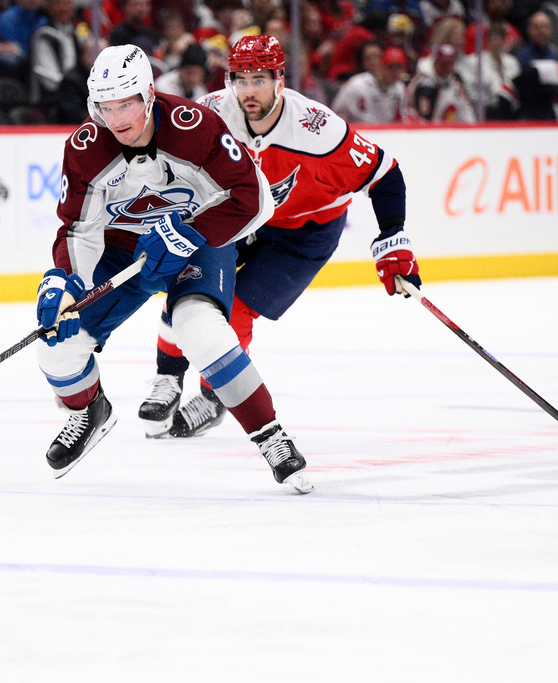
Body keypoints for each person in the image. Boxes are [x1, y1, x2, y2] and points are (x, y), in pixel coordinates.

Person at [34, 43, 313, 493]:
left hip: (197, 240)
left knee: (200, 329)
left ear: (148, 94)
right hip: (122, 248)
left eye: (126, 103)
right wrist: (64, 282)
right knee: (57, 344)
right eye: (106, 106)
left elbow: (254, 200)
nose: (117, 117)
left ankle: (271, 437)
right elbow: (78, 230)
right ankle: (89, 411)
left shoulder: (195, 126)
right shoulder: (85, 147)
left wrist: (188, 232)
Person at [137, 35, 417, 446]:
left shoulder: (316, 129)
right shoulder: (214, 113)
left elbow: (384, 172)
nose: (249, 91)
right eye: (241, 80)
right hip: (247, 218)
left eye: (259, 80)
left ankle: (215, 398)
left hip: (305, 233)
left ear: (280, 80)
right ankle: (168, 378)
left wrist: (394, 237)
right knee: (186, 282)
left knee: (234, 312)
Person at [331, 44, 408, 123]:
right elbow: (337, 115)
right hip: (357, 131)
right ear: (381, 66)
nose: (395, 72)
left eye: (399, 68)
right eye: (391, 67)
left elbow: (401, 120)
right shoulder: (357, 85)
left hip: (384, 133)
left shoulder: (399, 88)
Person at [407, 42, 476, 122]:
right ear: (436, 62)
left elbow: (466, 108)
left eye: (450, 63)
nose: (446, 67)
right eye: (443, 63)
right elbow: (423, 111)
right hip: (424, 126)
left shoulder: (455, 81)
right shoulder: (425, 82)